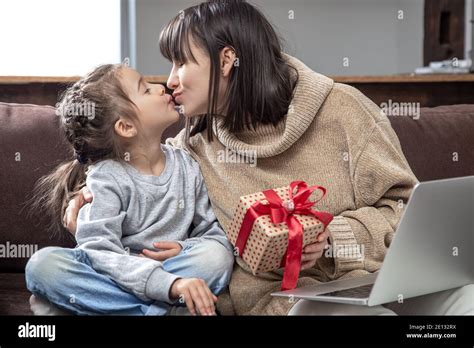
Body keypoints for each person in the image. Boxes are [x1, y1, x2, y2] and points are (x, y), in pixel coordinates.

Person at [62, 0, 474, 315]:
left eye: (181, 61)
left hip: (379, 281)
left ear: (226, 61)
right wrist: (81, 198)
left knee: (466, 298)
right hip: (294, 304)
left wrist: (334, 240)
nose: (169, 81)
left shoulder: (344, 111)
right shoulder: (197, 142)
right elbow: (137, 167)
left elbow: (408, 210)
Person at [25, 63, 234, 316]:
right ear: (126, 127)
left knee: (216, 258)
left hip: (170, 268)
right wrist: (171, 285)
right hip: (120, 273)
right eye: (145, 90)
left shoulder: (187, 165)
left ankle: (94, 308)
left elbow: (212, 232)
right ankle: (161, 310)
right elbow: (99, 252)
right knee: (42, 266)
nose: (161, 87)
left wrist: (186, 249)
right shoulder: (106, 177)